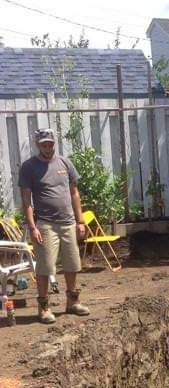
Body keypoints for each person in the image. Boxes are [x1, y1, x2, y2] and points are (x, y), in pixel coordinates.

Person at [19, 129, 90, 324]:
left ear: (54, 143)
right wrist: (32, 227)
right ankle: (43, 307)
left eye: (50, 143)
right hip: (45, 224)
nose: (48, 147)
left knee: (72, 264)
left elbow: (74, 193)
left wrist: (80, 221)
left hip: (68, 222)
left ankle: (73, 301)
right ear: (38, 145)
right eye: (44, 144)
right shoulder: (29, 167)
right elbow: (26, 201)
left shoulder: (65, 163)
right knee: (45, 267)